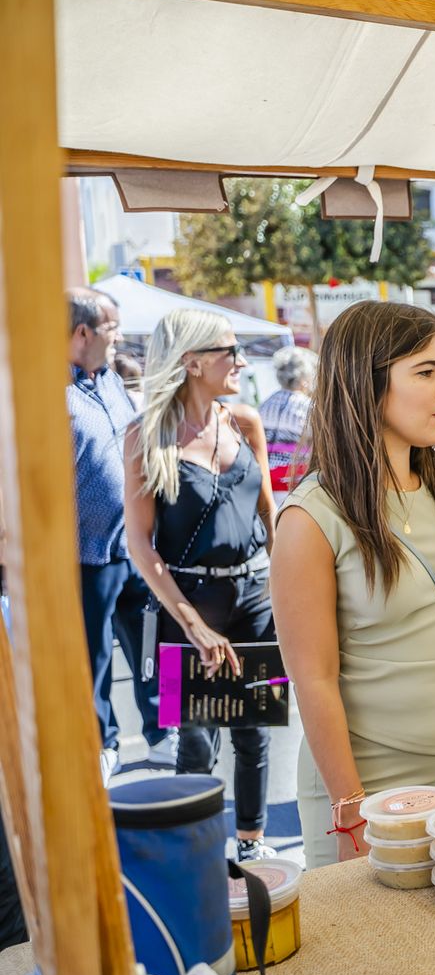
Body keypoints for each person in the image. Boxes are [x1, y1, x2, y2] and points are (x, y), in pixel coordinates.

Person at [273, 301, 435, 868]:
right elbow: (313, 679)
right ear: (366, 384)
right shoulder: (311, 517)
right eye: (426, 372)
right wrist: (350, 806)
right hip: (373, 781)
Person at [124, 309, 277, 861]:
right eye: (229, 351)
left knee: (255, 728)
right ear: (191, 362)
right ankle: (196, 848)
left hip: (255, 595)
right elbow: (141, 546)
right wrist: (192, 625)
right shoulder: (146, 436)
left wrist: (289, 579)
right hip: (186, 604)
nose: (241, 361)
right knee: (196, 736)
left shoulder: (245, 422)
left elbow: (267, 512)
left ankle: (253, 844)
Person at [67, 288, 170, 781]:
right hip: (83, 554)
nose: (120, 338)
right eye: (112, 328)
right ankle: (101, 744)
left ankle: (160, 730)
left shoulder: (111, 382)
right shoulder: (45, 392)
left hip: (134, 545)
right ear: (83, 332)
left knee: (150, 642)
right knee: (95, 656)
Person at [259, 345, 318, 501]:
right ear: (305, 379)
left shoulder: (266, 404)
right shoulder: (309, 407)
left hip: (263, 479)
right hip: (294, 481)